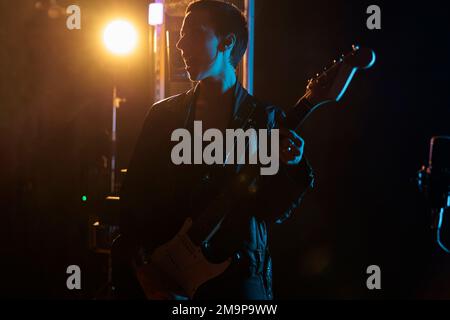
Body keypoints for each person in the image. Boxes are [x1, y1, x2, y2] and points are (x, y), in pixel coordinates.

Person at [115, 0, 314, 300]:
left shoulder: (265, 118)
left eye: (194, 33)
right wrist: (145, 273)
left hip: (239, 281)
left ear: (227, 41)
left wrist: (291, 165)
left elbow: (269, 210)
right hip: (170, 284)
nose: (179, 44)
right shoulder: (163, 117)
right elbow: (133, 203)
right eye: (181, 34)